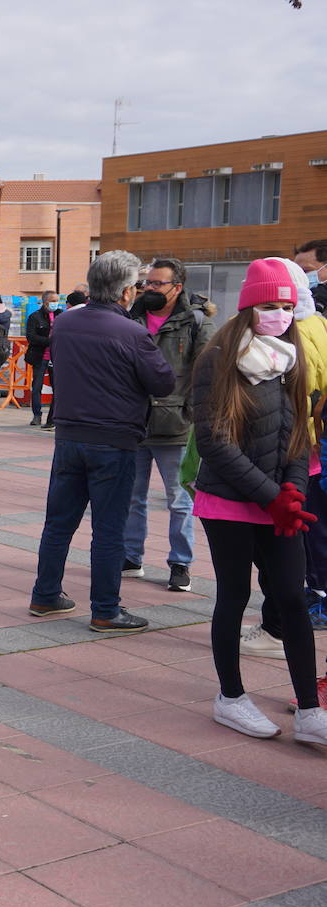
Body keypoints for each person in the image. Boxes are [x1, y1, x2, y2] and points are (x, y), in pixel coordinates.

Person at [189, 257, 326, 746]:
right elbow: (214, 442)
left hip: (279, 504)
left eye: (287, 306)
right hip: (229, 503)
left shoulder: (291, 354)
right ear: (249, 307)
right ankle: (230, 697)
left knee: (291, 596)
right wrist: (271, 497)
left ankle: (310, 709)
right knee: (234, 596)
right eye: (270, 306)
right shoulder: (219, 359)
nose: (281, 315)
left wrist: (291, 492)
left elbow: (298, 432)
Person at [28, 251, 174, 631]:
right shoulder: (133, 333)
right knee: (109, 528)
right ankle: (106, 608)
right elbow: (162, 382)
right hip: (114, 436)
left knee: (59, 522)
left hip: (70, 434)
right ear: (127, 292)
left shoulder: (66, 324)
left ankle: (45, 595)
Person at [121, 258, 213, 592]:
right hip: (135, 424)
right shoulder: (131, 317)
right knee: (132, 497)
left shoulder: (196, 321)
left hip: (176, 426)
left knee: (179, 500)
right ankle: (131, 556)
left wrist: (190, 413)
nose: (150, 289)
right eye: (147, 283)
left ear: (177, 287)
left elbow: (206, 373)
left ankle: (180, 563)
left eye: (158, 284)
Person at [24, 292, 60, 427]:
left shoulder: (60, 315)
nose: (55, 303)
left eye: (57, 300)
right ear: (45, 302)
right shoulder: (35, 317)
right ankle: (37, 415)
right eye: (53, 301)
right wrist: (49, 341)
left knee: (56, 387)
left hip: (56, 357)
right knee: (37, 386)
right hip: (40, 356)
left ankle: (53, 417)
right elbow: (31, 337)